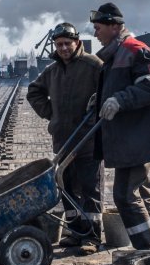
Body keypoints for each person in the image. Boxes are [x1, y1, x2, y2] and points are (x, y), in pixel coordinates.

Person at [89, 2, 150, 250]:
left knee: (124, 195)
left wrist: (118, 100)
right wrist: (102, 97)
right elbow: (124, 83)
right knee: (140, 194)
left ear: (114, 26)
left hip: (138, 139)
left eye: (98, 27)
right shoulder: (118, 53)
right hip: (129, 139)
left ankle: (149, 250)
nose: (95, 34)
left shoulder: (136, 50)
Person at [27, 22, 103, 253]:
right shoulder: (52, 71)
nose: (63, 48)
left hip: (89, 139)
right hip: (63, 140)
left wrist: (98, 105)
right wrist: (52, 114)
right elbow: (33, 91)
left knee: (91, 187)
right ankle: (74, 231)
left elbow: (109, 89)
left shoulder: (93, 65)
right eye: (59, 44)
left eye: (67, 43)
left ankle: (91, 237)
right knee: (67, 186)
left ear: (77, 42)